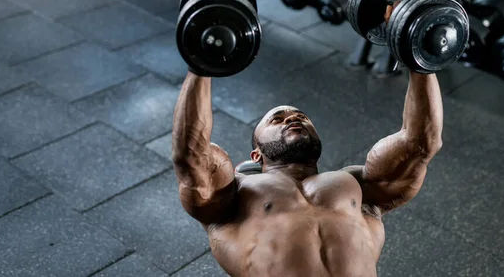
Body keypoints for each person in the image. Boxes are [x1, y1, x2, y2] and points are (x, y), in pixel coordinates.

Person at [172, 68, 443, 277]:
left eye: (301, 117)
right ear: (256, 155)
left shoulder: (357, 186)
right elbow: (192, 154)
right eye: (276, 120)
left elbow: (419, 143)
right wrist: (200, 68)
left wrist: (420, 61)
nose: (293, 118)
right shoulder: (234, 194)